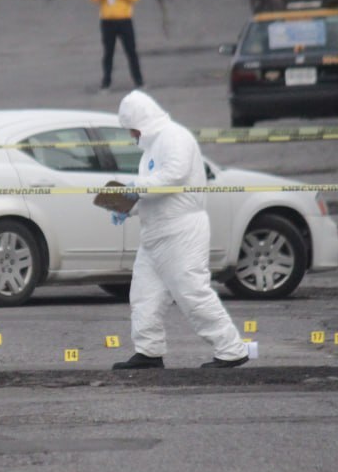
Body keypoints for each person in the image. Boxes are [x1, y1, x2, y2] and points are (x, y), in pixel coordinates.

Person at [107, 90, 250, 369]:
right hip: (155, 233)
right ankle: (148, 352)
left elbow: (173, 176)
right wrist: (128, 206)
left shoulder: (175, 137)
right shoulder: (150, 148)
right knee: (144, 294)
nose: (131, 136)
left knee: (192, 291)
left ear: (142, 122)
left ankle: (231, 350)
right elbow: (156, 190)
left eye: (132, 129)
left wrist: (136, 191)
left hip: (181, 231)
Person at [88, 0, 144, 92]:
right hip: (107, 22)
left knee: (131, 51)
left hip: (124, 20)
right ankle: (106, 83)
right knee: (108, 53)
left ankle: (139, 81)